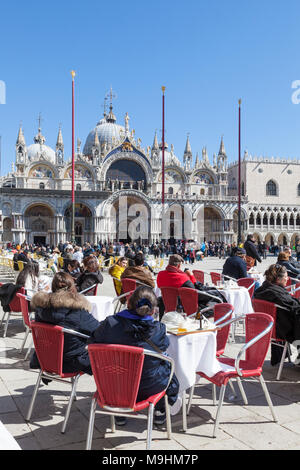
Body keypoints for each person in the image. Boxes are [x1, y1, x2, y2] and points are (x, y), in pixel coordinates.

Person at [91, 286, 179, 425]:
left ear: (129, 303)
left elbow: (94, 339)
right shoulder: (158, 329)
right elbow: (164, 347)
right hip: (148, 387)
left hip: (114, 386)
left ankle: (119, 412)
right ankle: (159, 410)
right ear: (153, 309)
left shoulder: (110, 323)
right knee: (165, 366)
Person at [30, 272, 100, 376]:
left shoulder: (41, 308)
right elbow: (99, 330)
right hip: (70, 363)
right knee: (105, 352)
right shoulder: (76, 311)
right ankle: (105, 389)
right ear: (73, 288)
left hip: (46, 360)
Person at [253, 264, 300, 365]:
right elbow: (294, 306)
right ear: (278, 279)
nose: (287, 279)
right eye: (286, 276)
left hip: (271, 327)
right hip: (283, 329)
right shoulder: (276, 293)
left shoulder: (261, 290)